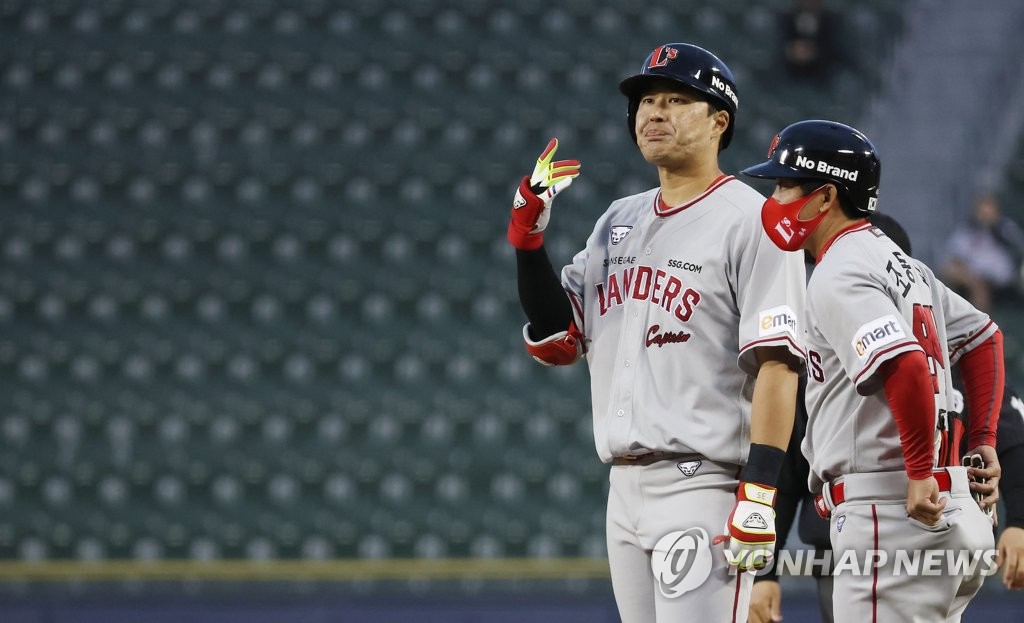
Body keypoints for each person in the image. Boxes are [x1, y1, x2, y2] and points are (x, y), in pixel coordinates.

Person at [505, 43, 807, 622]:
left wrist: (762, 491)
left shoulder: (755, 221)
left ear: (720, 121)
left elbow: (778, 364)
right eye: (645, 101)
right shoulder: (618, 219)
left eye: (675, 99)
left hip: (705, 482)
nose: (653, 113)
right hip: (624, 488)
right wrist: (527, 244)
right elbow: (559, 335)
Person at [741, 119, 1005, 622]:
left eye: (784, 185)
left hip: (893, 509)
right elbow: (983, 337)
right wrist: (983, 437)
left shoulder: (839, 269)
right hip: (950, 511)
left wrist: (920, 470)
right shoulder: (902, 262)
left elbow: (905, 364)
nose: (774, 199)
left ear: (824, 197)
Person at [941, 193, 1024, 312]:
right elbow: (954, 255)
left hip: (1001, 279)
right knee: (950, 270)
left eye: (989, 208)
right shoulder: (968, 230)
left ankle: (981, 325)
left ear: (996, 210)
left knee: (979, 286)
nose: (985, 213)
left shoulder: (1005, 228)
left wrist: (997, 231)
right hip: (972, 277)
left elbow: (1018, 249)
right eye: (982, 208)